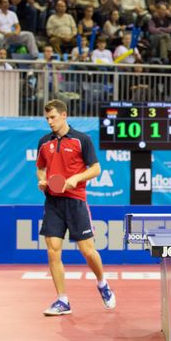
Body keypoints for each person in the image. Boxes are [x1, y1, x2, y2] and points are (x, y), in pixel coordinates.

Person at [35, 99, 116, 316]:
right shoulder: (44, 142)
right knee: (53, 252)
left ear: (64, 115)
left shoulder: (82, 140)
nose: (50, 122)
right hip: (52, 201)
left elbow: (96, 169)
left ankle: (102, 283)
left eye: (53, 117)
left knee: (87, 252)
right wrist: (42, 181)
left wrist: (76, 178)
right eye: (47, 118)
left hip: (76, 201)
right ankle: (62, 300)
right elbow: (41, 169)